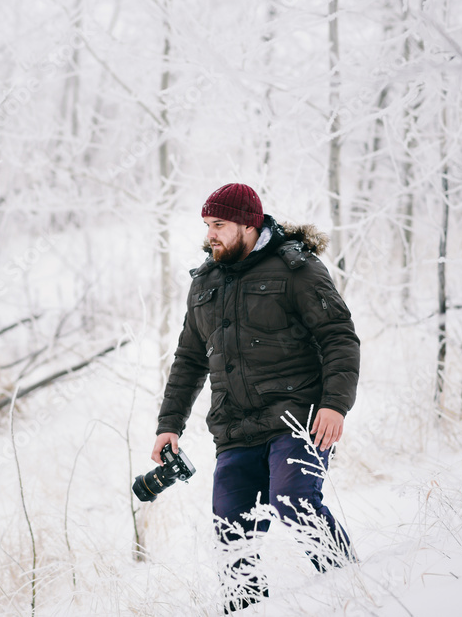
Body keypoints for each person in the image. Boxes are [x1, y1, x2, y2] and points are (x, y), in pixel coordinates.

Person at [151, 183, 359, 611]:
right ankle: (247, 610)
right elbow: (189, 359)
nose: (210, 234)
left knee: (294, 500)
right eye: (207, 225)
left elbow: (339, 336)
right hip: (235, 430)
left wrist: (335, 405)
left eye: (219, 225)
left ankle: (354, 585)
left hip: (297, 418)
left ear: (248, 224)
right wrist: (169, 426)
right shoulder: (205, 282)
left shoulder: (296, 269)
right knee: (231, 536)